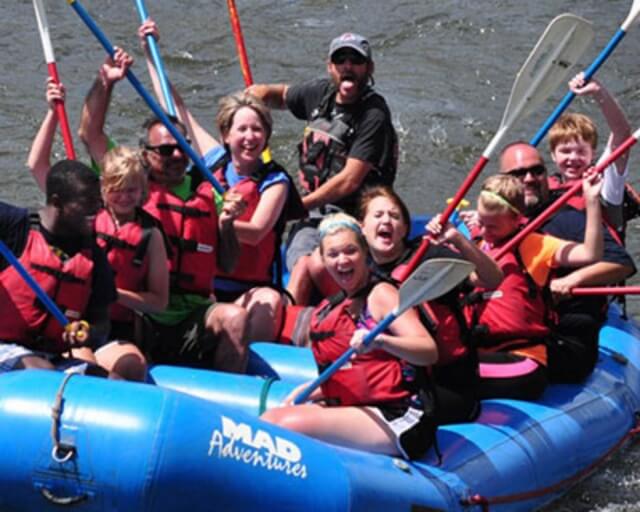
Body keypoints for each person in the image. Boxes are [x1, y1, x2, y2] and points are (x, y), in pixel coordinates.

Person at [78, 48, 252, 373]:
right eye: (165, 149)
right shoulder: (132, 185)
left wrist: (227, 225)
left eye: (181, 147)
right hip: (141, 314)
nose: (175, 154)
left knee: (235, 318)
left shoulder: (211, 195)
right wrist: (106, 83)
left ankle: (228, 407)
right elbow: (90, 134)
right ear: (147, 153)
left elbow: (227, 263)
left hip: (193, 311)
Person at [137, 20, 301, 340]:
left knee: (267, 300)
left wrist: (205, 220)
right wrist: (149, 52)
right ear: (226, 135)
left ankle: (250, 370)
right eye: (242, 129)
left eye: (258, 130)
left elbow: (254, 233)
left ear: (267, 136)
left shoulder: (275, 180)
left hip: (251, 289)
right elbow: (177, 111)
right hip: (205, 287)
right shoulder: (214, 160)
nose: (250, 137)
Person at [262, 214, 438, 460]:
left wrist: (382, 341)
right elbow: (355, 372)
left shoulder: (381, 295)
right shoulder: (331, 306)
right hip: (360, 405)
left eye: (350, 251)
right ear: (323, 260)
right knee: (274, 417)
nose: (342, 260)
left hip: (400, 415)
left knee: (278, 424)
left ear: (365, 253)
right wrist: (317, 390)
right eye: (333, 254)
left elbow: (428, 350)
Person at [248, 32, 398, 304]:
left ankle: (324, 319)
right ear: (330, 66)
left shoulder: (374, 114)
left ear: (369, 68)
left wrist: (296, 206)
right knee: (305, 260)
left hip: (354, 214)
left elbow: (349, 181)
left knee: (312, 265)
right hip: (311, 212)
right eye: (340, 60)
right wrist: (256, 96)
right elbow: (281, 95)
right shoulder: (320, 93)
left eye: (356, 61)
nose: (348, 66)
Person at [359, 186, 502, 424]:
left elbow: (492, 279)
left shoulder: (429, 256)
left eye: (394, 216)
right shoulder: (360, 270)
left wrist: (457, 238)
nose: (387, 220)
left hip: (445, 381)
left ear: (404, 229)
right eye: (378, 215)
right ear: (362, 227)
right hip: (393, 379)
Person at [499, 142, 635, 382]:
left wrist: (573, 278)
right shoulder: (499, 223)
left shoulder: (568, 219)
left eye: (537, 171)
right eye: (519, 174)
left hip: (565, 340)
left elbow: (621, 264)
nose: (529, 179)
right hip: (519, 333)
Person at [0, 160, 145, 379]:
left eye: (97, 200)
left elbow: (102, 324)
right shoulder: (16, 227)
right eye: (86, 201)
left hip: (53, 357)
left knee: (115, 383)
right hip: (6, 350)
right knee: (42, 372)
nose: (97, 208)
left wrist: (88, 332)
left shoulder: (93, 255)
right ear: (57, 202)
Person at [467, 173, 603, 400]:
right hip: (483, 352)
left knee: (450, 372)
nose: (485, 233)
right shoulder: (476, 245)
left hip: (524, 360)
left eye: (493, 227)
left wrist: (592, 201)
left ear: (516, 219)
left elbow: (591, 253)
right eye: (481, 223)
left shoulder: (536, 245)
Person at [548, 72, 632, 234]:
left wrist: (597, 91)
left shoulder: (606, 183)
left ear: (592, 153)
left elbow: (622, 132)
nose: (573, 157)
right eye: (565, 151)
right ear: (553, 155)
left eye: (581, 151)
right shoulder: (544, 189)